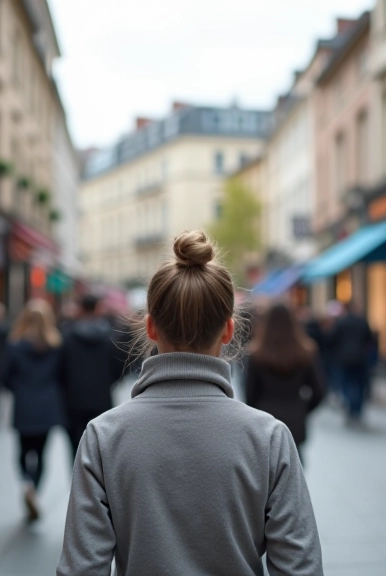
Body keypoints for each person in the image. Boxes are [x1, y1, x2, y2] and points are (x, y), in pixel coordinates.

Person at [57, 230, 322, 576]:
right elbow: (300, 567)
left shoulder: (103, 436)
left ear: (150, 328)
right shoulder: (269, 437)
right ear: (228, 331)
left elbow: (81, 569)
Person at [3, 299, 66, 522]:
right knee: (41, 454)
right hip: (48, 405)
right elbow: (62, 376)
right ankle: (34, 492)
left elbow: (5, 377)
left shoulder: (15, 346)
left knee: (22, 451)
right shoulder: (56, 345)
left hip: (24, 403)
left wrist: (20, 390)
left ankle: (26, 483)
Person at [245, 303, 326, 463]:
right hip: (294, 418)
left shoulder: (256, 354)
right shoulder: (306, 352)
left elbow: (250, 394)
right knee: (296, 472)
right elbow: (319, 391)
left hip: (264, 419)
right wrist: (302, 408)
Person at [61, 294, 125, 456]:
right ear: (97, 308)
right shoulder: (110, 337)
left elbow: (60, 369)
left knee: (75, 449)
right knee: (100, 449)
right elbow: (118, 368)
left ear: (81, 308)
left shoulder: (68, 337)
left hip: (73, 401)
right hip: (101, 399)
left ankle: (77, 480)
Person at [324, 302, 374, 424]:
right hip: (360, 359)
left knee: (347, 384)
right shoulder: (362, 322)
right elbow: (370, 339)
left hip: (345, 359)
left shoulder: (341, 322)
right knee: (359, 385)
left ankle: (351, 408)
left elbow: (331, 339)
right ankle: (357, 410)